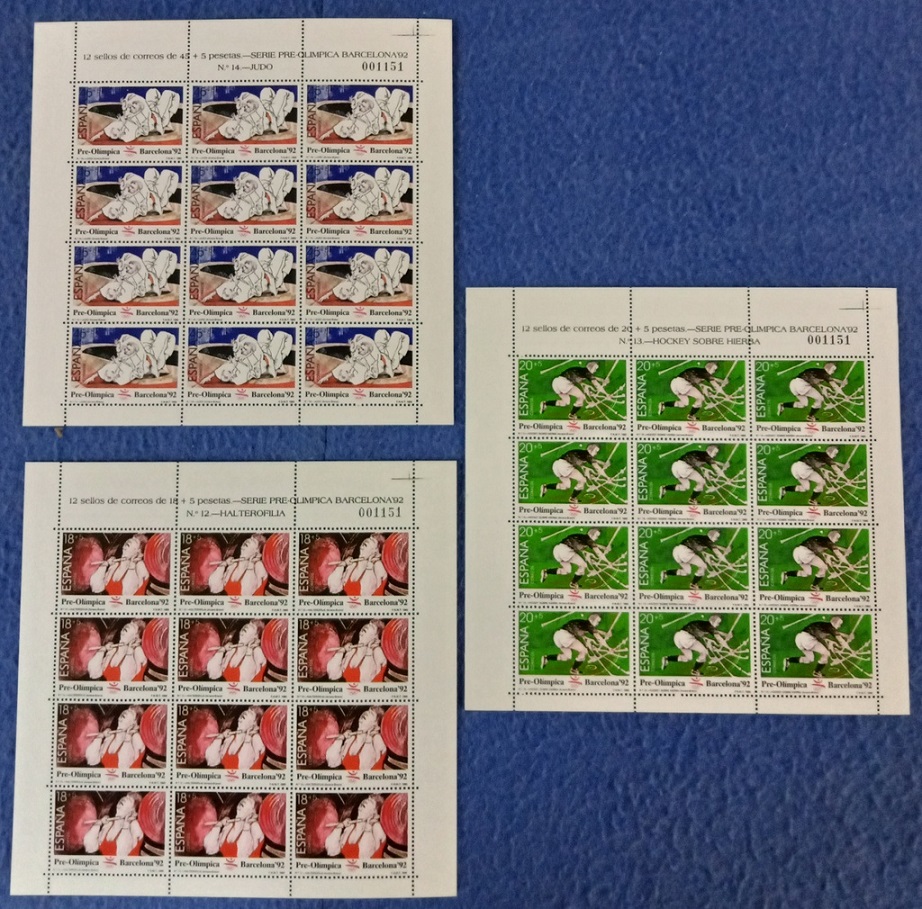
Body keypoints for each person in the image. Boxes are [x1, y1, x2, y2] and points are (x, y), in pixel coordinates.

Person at [319, 330, 410, 386]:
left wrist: (326, 378)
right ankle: (397, 361)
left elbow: (335, 372)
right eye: (348, 373)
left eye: (346, 371)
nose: (349, 370)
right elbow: (376, 372)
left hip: (378, 350)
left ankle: (395, 358)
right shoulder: (358, 376)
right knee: (399, 335)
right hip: (387, 359)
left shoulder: (349, 364)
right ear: (349, 377)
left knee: (381, 333)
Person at [329, 249, 410, 304]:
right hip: (386, 279)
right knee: (398, 254)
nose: (350, 289)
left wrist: (355, 266)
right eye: (349, 292)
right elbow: (373, 290)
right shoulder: (357, 296)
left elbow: (336, 290)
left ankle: (396, 275)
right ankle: (397, 277)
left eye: (347, 289)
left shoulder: (350, 282)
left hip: (379, 270)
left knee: (381, 252)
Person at [329, 168, 410, 222]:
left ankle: (396, 195)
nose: (350, 207)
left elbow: (338, 207)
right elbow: (374, 210)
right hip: (388, 197)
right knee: (398, 173)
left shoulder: (353, 199)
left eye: (347, 207)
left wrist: (355, 184)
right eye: (349, 210)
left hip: (379, 188)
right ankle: (397, 198)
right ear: (350, 213)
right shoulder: (360, 213)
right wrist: (399, 193)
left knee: (381, 170)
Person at [96, 330, 176, 386]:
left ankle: (161, 351)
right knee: (164, 335)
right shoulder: (124, 376)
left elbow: (102, 372)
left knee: (147, 333)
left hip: (144, 351)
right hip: (153, 359)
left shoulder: (118, 361)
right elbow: (142, 372)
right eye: (114, 373)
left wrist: (121, 346)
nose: (114, 371)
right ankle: (164, 356)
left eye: (111, 371)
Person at [98, 249, 178, 304]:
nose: (115, 289)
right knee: (165, 254)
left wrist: (122, 266)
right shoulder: (125, 295)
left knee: (148, 252)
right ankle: (164, 280)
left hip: (147, 270)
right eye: (115, 291)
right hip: (154, 278)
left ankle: (163, 277)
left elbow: (132, 267)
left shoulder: (120, 281)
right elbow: (133, 293)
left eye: (113, 289)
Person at [215, 168, 294, 223]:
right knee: (281, 173)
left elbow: (240, 190)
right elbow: (252, 210)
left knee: (265, 171)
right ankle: (282, 192)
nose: (244, 188)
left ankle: (278, 186)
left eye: (247, 187)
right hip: (272, 198)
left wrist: (238, 185)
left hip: (265, 190)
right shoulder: (242, 212)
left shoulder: (244, 194)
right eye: (245, 186)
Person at [214, 330, 293, 385]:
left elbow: (244, 348)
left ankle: (278, 356)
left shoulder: (235, 362)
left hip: (261, 350)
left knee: (263, 333)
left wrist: (238, 347)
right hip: (269, 359)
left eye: (229, 370)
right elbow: (253, 373)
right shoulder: (241, 376)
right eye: (230, 373)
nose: (232, 370)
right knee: (281, 335)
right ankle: (280, 360)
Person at [784, 616, 854, 677]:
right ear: (835, 623)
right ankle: (816, 672)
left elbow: (837, 633)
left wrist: (847, 636)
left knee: (809, 659)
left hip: (799, 638)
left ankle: (788, 660)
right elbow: (841, 640)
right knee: (826, 653)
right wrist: (850, 650)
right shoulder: (831, 628)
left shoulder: (825, 625)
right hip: (808, 640)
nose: (840, 626)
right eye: (839, 624)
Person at [330, 87, 410, 141]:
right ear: (350, 133)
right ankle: (398, 117)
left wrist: (355, 103)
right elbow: (376, 128)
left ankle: (394, 109)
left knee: (381, 90)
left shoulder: (354, 117)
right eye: (349, 130)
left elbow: (337, 128)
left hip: (379, 107)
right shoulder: (359, 132)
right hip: (388, 116)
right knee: (398, 92)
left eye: (347, 127)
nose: (350, 127)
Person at [661, 614, 730, 677]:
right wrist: (729, 648)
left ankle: (667, 658)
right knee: (704, 652)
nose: (718, 625)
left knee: (688, 658)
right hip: (686, 638)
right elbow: (719, 638)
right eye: (718, 623)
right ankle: (694, 671)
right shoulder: (709, 626)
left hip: (678, 637)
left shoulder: (702, 624)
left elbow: (716, 632)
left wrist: (725, 635)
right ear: (712, 621)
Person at [100, 168, 178, 223]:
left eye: (116, 208)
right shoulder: (128, 212)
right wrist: (168, 193)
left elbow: (108, 207)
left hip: (149, 189)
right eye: (117, 210)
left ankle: (164, 193)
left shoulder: (122, 200)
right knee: (167, 173)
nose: (118, 208)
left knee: (150, 171)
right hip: (157, 198)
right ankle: (166, 198)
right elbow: (141, 211)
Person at [540, 614, 609, 676]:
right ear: (591, 620)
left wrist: (605, 634)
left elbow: (594, 631)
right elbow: (598, 637)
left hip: (558, 636)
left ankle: (547, 658)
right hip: (566, 637)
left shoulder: (582, 623)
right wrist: (608, 648)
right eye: (597, 621)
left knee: (567, 657)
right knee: (584, 651)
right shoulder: (588, 625)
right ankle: (573, 669)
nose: (598, 623)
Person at [216, 249, 293, 304]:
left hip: (262, 269)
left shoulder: (235, 282)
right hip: (270, 278)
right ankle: (280, 279)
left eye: (229, 288)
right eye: (231, 290)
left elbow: (240, 272)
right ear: (233, 295)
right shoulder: (242, 294)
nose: (232, 288)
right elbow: (257, 289)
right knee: (282, 253)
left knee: (264, 251)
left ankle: (278, 273)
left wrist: (238, 266)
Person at [782, 530, 852, 591]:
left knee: (807, 573)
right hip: (806, 554)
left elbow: (834, 547)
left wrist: (845, 550)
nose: (837, 540)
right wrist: (849, 565)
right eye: (837, 538)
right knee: (824, 567)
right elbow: (839, 555)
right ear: (832, 537)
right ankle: (814, 586)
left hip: (797, 552)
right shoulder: (828, 542)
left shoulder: (821, 539)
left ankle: (787, 574)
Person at [660, 530, 729, 590]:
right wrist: (727, 563)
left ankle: (666, 573)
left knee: (686, 572)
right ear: (711, 536)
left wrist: (724, 549)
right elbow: (717, 553)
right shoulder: (708, 541)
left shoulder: (701, 538)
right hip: (685, 552)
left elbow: (713, 546)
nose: (717, 539)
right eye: (716, 537)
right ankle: (693, 584)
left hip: (677, 551)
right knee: (703, 566)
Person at [218, 88, 295, 141]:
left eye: (232, 128)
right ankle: (281, 119)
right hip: (271, 116)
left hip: (264, 108)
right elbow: (257, 129)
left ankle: (281, 116)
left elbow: (248, 100)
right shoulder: (244, 132)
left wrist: (242, 103)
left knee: (266, 90)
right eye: (233, 133)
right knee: (283, 93)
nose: (234, 129)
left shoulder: (239, 116)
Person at [780, 446, 850, 505]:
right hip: (804, 469)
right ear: (829, 452)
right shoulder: (826, 458)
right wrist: (847, 479)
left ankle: (785, 489)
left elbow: (832, 463)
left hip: (795, 467)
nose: (835, 455)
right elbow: (836, 469)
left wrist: (842, 465)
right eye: (835, 453)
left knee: (805, 488)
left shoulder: (819, 454)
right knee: (822, 482)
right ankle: (812, 500)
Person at [102, 89, 179, 142]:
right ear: (120, 134)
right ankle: (167, 119)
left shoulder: (125, 119)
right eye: (119, 130)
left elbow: (133, 106)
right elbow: (145, 131)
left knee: (152, 92)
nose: (120, 128)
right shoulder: (130, 133)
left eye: (118, 128)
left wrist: (125, 110)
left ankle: (166, 116)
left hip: (150, 110)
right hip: (157, 117)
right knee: (168, 93)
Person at [659, 446, 728, 505]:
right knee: (702, 481)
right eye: (715, 453)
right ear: (709, 452)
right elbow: (716, 468)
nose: (715, 455)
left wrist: (722, 464)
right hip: (684, 467)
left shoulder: (699, 453)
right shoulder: (706, 456)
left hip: (675, 466)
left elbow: (708, 462)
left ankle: (665, 488)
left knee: (685, 487)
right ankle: (692, 499)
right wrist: (726, 478)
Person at [539, 528, 604, 590]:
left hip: (557, 550)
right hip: (565, 551)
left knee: (567, 570)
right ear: (591, 535)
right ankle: (573, 583)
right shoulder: (588, 540)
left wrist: (603, 547)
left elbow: (588, 545)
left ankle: (546, 571)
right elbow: (598, 552)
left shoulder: (579, 536)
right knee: (583, 565)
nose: (597, 538)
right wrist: (606, 560)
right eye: (596, 535)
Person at [203, 794, 265, 859]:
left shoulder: (255, 827)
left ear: (254, 812)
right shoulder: (229, 826)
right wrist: (219, 825)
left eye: (251, 801)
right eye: (246, 798)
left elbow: (243, 856)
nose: (244, 800)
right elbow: (209, 849)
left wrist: (246, 826)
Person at [658, 362, 726, 419]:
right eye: (714, 369)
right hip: (683, 384)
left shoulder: (699, 371)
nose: (714, 371)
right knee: (700, 397)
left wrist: (720, 381)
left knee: (684, 403)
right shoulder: (705, 373)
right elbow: (715, 385)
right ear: (708, 368)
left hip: (674, 383)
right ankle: (691, 415)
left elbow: (709, 380)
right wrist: (725, 395)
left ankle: (664, 404)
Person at [539, 362, 606, 418]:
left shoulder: (581, 371)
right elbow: (596, 384)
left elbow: (591, 378)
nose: (595, 371)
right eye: (595, 368)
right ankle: (572, 414)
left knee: (565, 402)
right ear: (591, 368)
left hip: (556, 382)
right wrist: (606, 394)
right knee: (581, 397)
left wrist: (602, 380)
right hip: (564, 383)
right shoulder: (587, 373)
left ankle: (545, 403)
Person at [778, 363, 844, 419]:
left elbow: (831, 379)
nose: (833, 372)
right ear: (827, 369)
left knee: (803, 404)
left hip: (793, 384)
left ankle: (783, 405)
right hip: (802, 385)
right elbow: (834, 386)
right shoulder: (825, 374)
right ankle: (810, 416)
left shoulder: (817, 371)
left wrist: (841, 382)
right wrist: (844, 395)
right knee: (820, 398)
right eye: (833, 370)